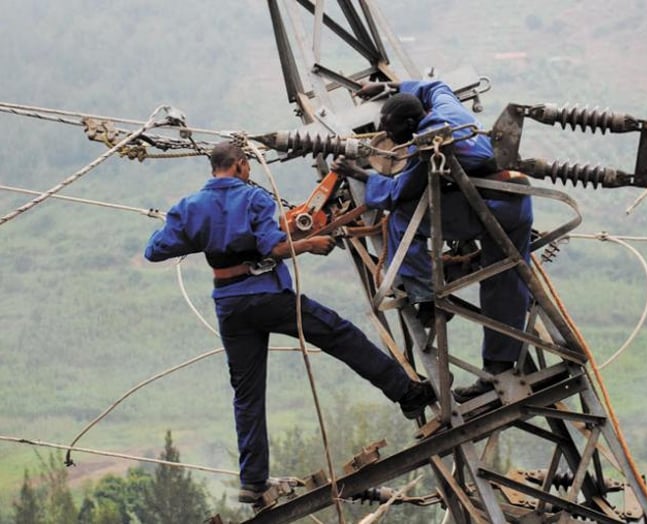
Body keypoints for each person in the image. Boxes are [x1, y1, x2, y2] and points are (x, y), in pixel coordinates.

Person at [144, 141, 435, 504]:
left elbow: (155, 250)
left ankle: (253, 481)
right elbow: (272, 248)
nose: (248, 170)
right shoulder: (253, 199)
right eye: (246, 165)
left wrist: (201, 232)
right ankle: (407, 393)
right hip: (267, 295)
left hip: (230, 305)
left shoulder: (189, 207)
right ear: (238, 165)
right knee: (338, 334)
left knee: (247, 394)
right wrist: (311, 243)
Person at [332, 80, 534, 403]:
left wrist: (360, 174)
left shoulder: (428, 145)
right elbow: (435, 86)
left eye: (391, 129)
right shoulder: (446, 107)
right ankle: (499, 368)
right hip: (517, 200)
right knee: (505, 284)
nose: (386, 136)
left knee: (403, 220)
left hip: (490, 209)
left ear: (412, 125)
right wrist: (390, 86)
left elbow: (398, 193)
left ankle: (426, 291)